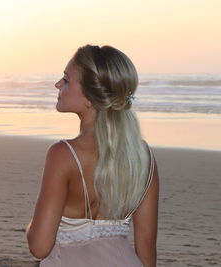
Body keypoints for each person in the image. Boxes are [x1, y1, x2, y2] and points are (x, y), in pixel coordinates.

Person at [26, 44, 159, 267]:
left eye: (66, 80)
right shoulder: (143, 157)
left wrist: (32, 226)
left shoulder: (63, 155)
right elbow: (146, 252)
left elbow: (39, 246)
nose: (57, 84)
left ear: (90, 96)